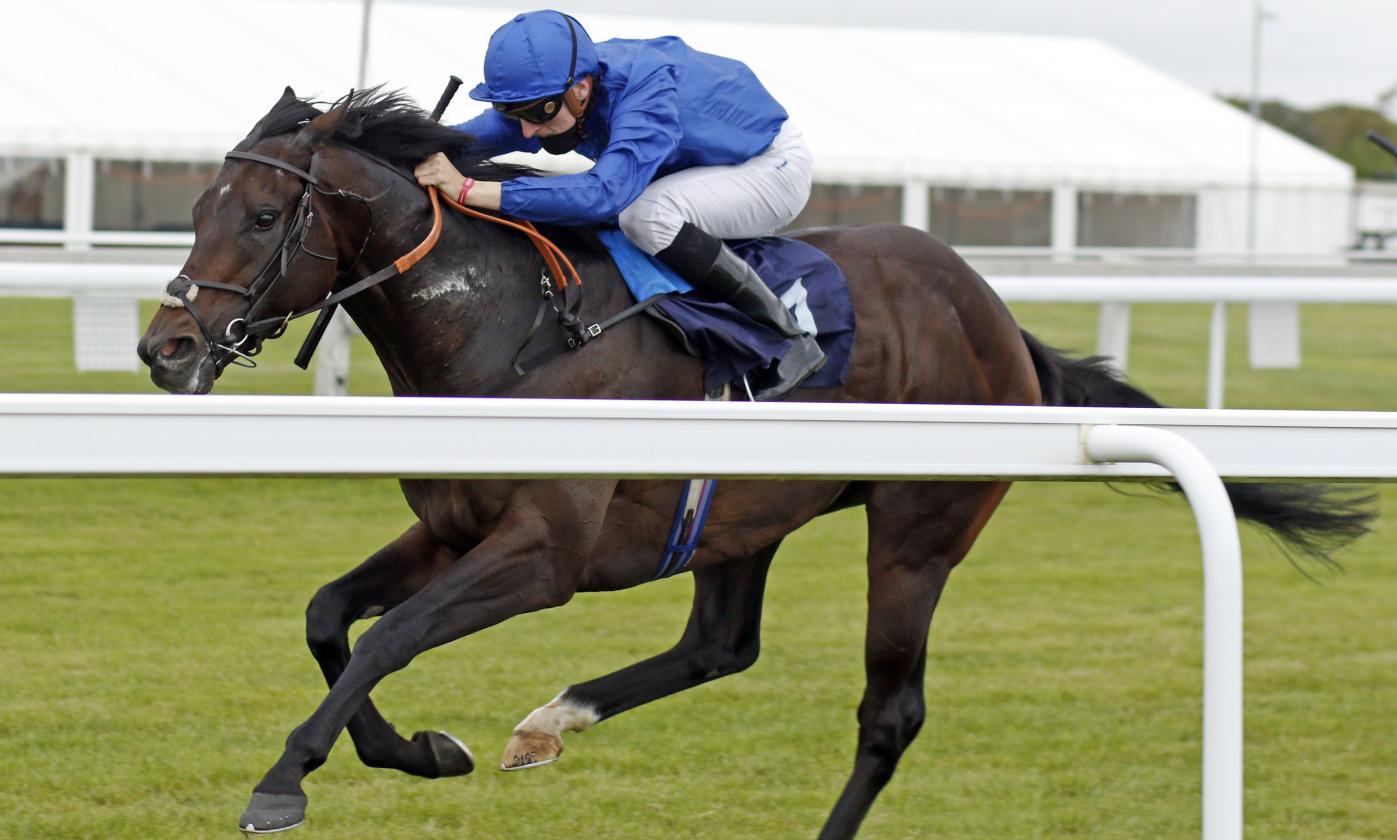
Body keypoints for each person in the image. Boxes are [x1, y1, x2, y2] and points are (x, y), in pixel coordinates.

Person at [413, 9, 824, 400]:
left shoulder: (644, 90)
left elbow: (602, 194)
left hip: (770, 166)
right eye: (510, 112)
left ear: (581, 89)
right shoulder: (556, 88)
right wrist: (410, 145)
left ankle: (789, 338)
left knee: (643, 215)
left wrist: (470, 190)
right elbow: (469, 138)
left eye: (538, 113)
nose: (526, 130)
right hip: (706, 168)